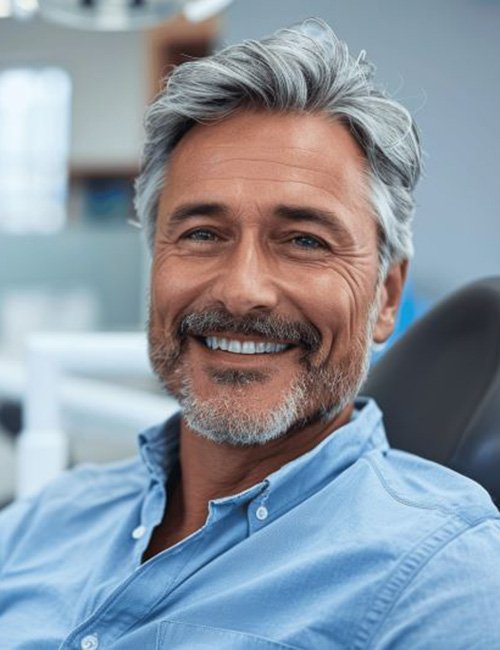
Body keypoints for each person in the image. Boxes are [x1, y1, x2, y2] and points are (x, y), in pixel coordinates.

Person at [1, 18, 499, 650]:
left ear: (386, 299)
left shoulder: (443, 580)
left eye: (304, 241)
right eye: (202, 234)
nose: (241, 291)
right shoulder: (50, 518)